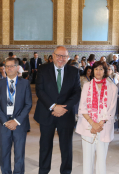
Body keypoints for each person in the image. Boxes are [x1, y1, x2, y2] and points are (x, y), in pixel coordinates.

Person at [34, 46, 81, 174]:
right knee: (45, 146)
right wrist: (54, 106)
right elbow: (40, 90)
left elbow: (77, 93)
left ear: (68, 58)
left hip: (66, 114)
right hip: (46, 112)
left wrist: (63, 108)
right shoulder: (43, 69)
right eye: (58, 55)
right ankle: (43, 170)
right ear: (53, 56)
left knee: (66, 147)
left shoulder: (74, 71)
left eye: (64, 56)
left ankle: (66, 171)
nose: (61, 59)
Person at [76, 61, 118, 174]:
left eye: (101, 69)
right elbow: (82, 107)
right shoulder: (86, 85)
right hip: (87, 126)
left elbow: (112, 109)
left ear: (105, 71)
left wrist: (100, 123)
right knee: (87, 159)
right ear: (92, 71)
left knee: (101, 159)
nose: (98, 71)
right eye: (96, 69)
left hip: (103, 127)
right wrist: (92, 123)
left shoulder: (112, 87)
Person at [0, 58, 32, 174]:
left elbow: (28, 104)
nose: (9, 68)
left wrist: (16, 121)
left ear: (17, 68)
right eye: (7, 66)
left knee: (19, 153)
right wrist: (5, 121)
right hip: (3, 123)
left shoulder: (25, 83)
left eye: (11, 66)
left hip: (19, 124)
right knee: (4, 152)